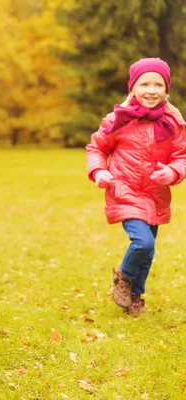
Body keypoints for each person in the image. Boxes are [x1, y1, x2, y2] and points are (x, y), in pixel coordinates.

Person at [86, 58, 186, 315]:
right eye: (144, 84)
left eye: (158, 84)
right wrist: (98, 171)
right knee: (143, 243)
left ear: (166, 89)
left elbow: (181, 156)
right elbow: (97, 147)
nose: (151, 90)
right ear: (132, 88)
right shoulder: (118, 119)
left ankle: (135, 298)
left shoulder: (173, 121)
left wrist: (173, 171)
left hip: (156, 195)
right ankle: (123, 275)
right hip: (125, 190)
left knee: (147, 254)